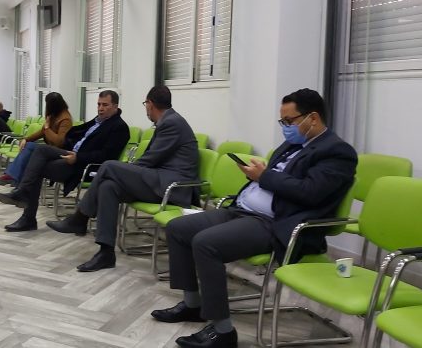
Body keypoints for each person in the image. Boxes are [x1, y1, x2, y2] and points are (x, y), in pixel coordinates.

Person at [150, 88, 357, 348]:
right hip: (242, 211)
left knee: (205, 243)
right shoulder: (291, 145)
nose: (285, 127)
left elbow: (310, 192)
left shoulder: (337, 152)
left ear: (312, 118)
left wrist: (264, 176)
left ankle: (223, 332)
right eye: (282, 121)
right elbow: (277, 179)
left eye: (289, 121)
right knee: (178, 228)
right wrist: (257, 175)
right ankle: (193, 304)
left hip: (275, 223)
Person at [47, 86, 199, 272]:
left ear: (150, 104)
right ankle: (106, 253)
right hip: (158, 179)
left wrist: (126, 170)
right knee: (108, 187)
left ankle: (80, 218)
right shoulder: (168, 121)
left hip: (172, 187)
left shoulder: (172, 123)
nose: (146, 109)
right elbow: (152, 160)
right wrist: (127, 170)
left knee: (109, 166)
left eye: (145, 104)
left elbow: (150, 160)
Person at [0, 90, 130, 232]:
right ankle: (24, 200)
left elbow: (106, 156)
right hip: (71, 154)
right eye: (98, 104)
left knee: (37, 164)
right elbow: (75, 135)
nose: (100, 108)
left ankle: (26, 209)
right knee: (38, 153)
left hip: (84, 165)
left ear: (115, 106)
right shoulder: (97, 121)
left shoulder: (119, 127)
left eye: (105, 105)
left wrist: (78, 158)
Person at [0, 92, 72, 186]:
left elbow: (59, 142)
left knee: (30, 148)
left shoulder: (65, 119)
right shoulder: (54, 115)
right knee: (28, 147)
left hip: (59, 151)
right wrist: (26, 139)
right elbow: (42, 132)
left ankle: (12, 177)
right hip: (50, 149)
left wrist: (47, 128)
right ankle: (16, 181)